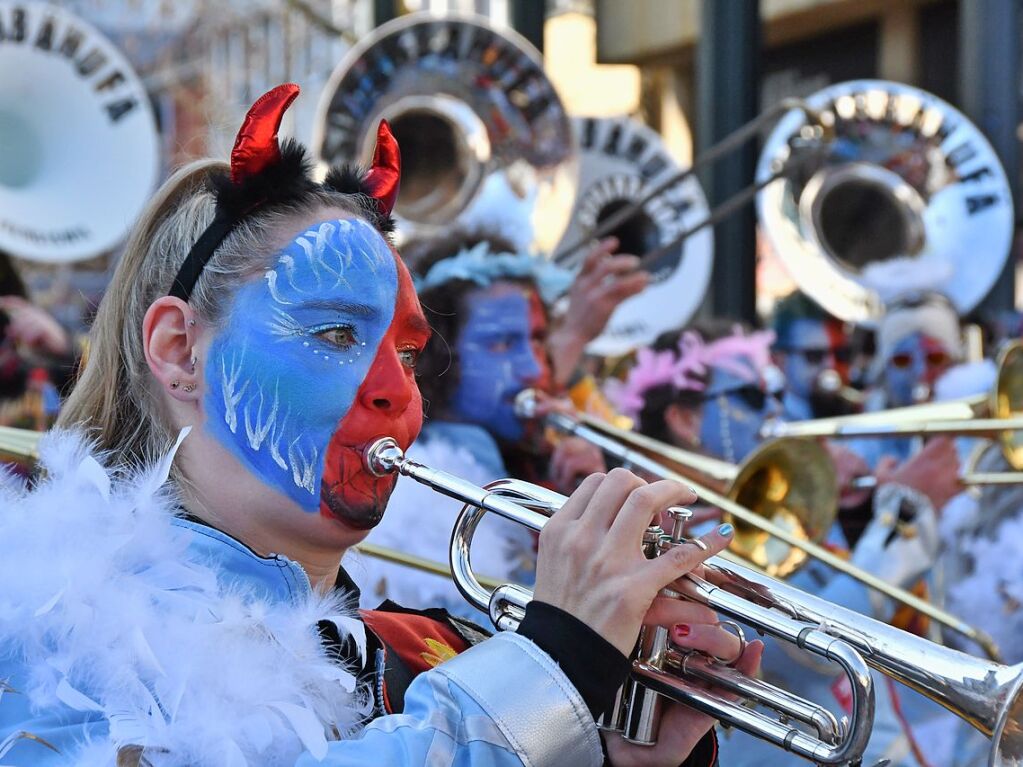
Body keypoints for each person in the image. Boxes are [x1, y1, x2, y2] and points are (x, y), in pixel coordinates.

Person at [0, 84, 760, 767]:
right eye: (335, 336)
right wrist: (548, 669)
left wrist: (614, 758)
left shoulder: (421, 655)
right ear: (179, 349)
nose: (396, 391)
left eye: (405, 351)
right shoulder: (41, 630)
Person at [605, 322, 962, 766]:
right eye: (753, 397)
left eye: (772, 391)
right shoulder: (665, 537)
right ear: (685, 419)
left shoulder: (770, 504)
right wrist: (905, 515)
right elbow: (810, 655)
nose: (775, 407)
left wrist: (851, 513)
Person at [354, 229, 622, 617]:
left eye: (538, 341)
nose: (533, 368)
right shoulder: (415, 499)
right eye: (500, 344)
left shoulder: (533, 462)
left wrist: (590, 507)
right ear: (434, 356)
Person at [770, 290, 854, 421]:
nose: (830, 365)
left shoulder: (857, 411)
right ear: (780, 359)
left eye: (840, 353)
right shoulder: (765, 419)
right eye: (814, 355)